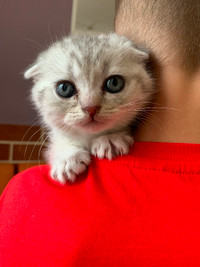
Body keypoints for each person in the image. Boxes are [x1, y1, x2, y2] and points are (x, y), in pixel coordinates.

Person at [1, 0, 200, 266]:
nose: (90, 107)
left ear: (148, 67)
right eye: (66, 90)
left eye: (113, 83)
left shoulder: (28, 198)